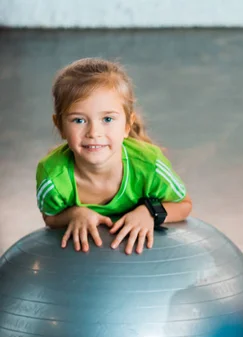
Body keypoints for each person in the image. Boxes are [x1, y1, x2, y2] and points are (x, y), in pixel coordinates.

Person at [36, 58, 192, 255]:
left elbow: (184, 205)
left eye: (107, 119)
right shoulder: (53, 176)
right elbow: (50, 218)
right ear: (59, 126)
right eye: (79, 120)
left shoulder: (149, 165)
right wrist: (75, 214)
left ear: (127, 124)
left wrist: (150, 212)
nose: (94, 132)